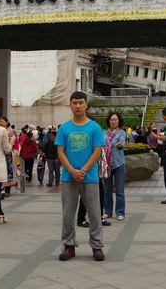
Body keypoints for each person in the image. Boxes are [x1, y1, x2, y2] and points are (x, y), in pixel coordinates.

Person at [55, 91, 105, 262]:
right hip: (68, 178)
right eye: (74, 103)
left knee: (94, 213)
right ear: (70, 105)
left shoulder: (94, 127)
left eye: (80, 103)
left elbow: (97, 151)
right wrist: (72, 171)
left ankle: (97, 245)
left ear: (86, 105)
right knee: (68, 214)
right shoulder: (64, 128)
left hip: (89, 177)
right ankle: (69, 245)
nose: (78, 106)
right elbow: (60, 152)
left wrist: (82, 170)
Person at [102, 111, 126, 221]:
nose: (113, 121)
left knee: (119, 191)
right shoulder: (104, 133)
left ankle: (120, 212)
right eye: (111, 119)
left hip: (119, 164)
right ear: (109, 121)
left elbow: (122, 143)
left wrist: (120, 145)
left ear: (119, 121)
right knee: (107, 190)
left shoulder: (121, 132)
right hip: (107, 165)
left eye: (115, 120)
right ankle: (107, 212)